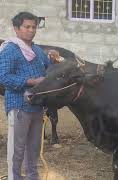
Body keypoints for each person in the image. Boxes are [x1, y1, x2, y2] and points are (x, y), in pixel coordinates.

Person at [0, 12, 53, 180]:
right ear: (17, 29)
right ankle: (14, 177)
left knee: (34, 147)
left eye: (34, 27)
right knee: (17, 148)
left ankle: (32, 177)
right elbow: (4, 77)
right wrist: (31, 81)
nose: (31, 30)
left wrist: (53, 59)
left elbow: (48, 71)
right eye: (27, 27)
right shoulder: (10, 50)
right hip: (18, 105)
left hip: (37, 106)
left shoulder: (37, 50)